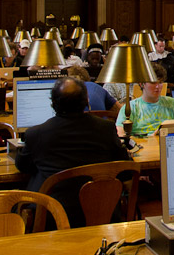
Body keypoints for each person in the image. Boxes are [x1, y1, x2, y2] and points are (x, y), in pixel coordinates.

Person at [15, 78, 131, 223]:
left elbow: (22, 166)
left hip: (53, 217)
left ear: (52, 103)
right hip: (101, 212)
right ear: (86, 101)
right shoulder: (105, 129)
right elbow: (126, 170)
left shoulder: (36, 134)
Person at [115, 63, 174, 136]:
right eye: (153, 82)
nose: (157, 87)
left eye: (160, 82)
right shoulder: (130, 108)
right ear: (141, 84)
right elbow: (120, 134)